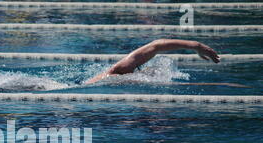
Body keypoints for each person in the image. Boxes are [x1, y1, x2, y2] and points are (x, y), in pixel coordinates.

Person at [85, 39, 220, 85]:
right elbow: (156, 45)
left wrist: (195, 45)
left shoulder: (121, 73)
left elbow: (155, 46)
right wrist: (195, 45)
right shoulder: (118, 73)